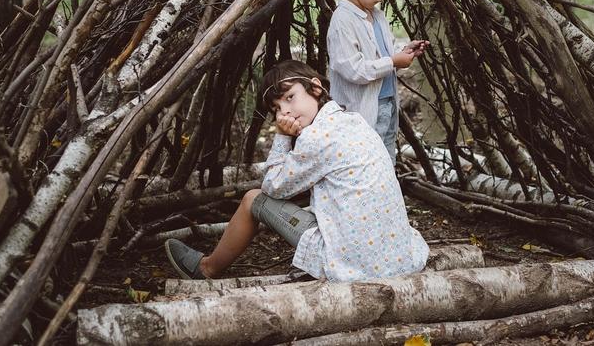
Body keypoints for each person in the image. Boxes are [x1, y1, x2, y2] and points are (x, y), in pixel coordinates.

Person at [165, 60, 429, 281]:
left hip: (360, 267)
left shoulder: (316, 137)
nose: (285, 112)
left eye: (290, 97)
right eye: (277, 109)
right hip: (399, 256)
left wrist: (281, 136)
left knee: (252, 200)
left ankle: (206, 268)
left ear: (315, 88)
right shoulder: (353, 120)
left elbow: (273, 187)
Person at [328, 0, 429, 164]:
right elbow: (354, 70)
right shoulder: (342, 21)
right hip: (359, 113)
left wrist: (403, 51)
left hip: (386, 103)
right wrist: (393, 61)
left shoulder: (377, 15)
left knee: (385, 160)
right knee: (365, 163)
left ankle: (386, 197)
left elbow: (385, 49)